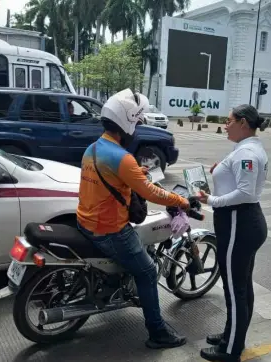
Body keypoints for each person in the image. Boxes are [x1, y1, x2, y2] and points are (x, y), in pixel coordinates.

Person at [76, 88, 191, 349]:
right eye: (137, 123)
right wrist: (180, 200)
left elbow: (108, 181)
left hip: (85, 223)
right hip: (110, 230)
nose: (137, 128)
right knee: (149, 272)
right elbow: (151, 192)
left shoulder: (93, 149)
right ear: (127, 122)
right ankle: (158, 333)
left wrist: (133, 173)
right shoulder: (122, 158)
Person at [196, 104, 269, 362]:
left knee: (235, 288)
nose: (225, 125)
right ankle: (232, 335)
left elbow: (246, 193)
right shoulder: (246, 149)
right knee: (239, 285)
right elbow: (240, 182)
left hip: (240, 222)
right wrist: (220, 172)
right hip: (243, 222)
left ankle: (231, 350)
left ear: (243, 123)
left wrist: (211, 199)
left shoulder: (246, 152)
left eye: (229, 121)